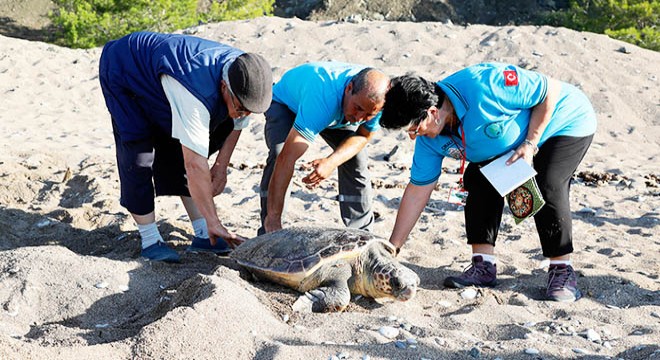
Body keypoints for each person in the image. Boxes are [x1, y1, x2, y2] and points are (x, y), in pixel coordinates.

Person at [380, 63, 597, 302]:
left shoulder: (486, 84)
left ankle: (561, 270)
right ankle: (483, 266)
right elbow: (417, 191)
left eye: (414, 128)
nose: (413, 135)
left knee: (548, 182)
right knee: (477, 179)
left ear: (432, 112)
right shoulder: (428, 140)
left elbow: (550, 90)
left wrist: (531, 144)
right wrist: (393, 248)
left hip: (564, 120)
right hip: (507, 145)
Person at [99, 31, 272, 262]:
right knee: (138, 152)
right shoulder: (194, 92)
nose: (244, 115)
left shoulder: (248, 75)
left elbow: (237, 124)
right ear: (223, 87)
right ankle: (150, 239)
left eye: (250, 111)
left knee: (190, 140)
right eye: (241, 108)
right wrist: (215, 221)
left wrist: (221, 166)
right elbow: (194, 164)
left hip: (163, 75)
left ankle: (203, 235)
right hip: (124, 69)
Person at [259, 62, 391, 235]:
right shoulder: (322, 97)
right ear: (349, 88)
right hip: (286, 104)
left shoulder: (376, 102)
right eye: (358, 108)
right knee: (279, 154)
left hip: (336, 115)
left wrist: (331, 162)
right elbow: (286, 158)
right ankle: (269, 230)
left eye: (368, 115)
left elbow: (363, 136)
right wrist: (273, 218)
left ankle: (362, 234)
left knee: (356, 158)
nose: (359, 118)